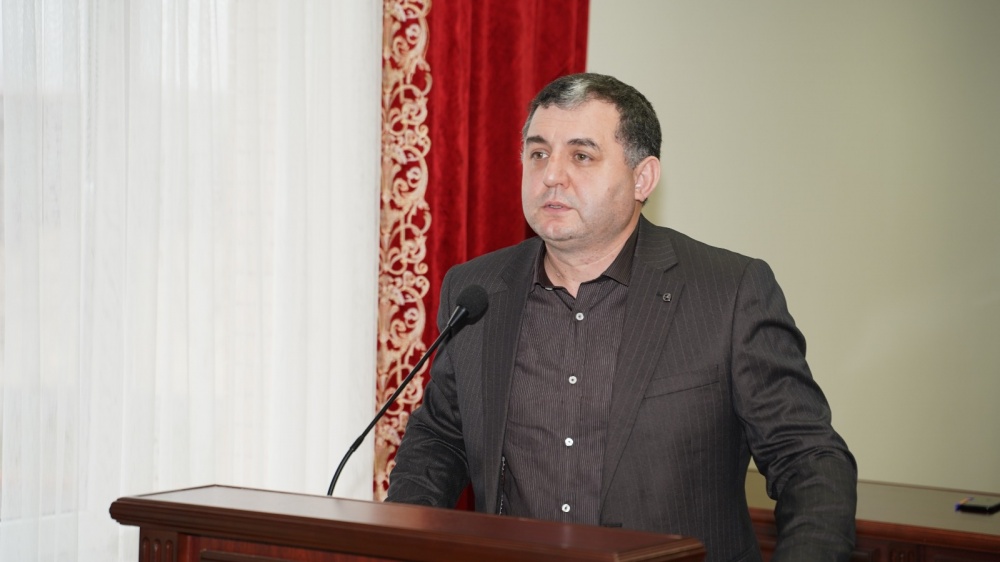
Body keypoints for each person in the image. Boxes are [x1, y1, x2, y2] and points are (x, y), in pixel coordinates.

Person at [386, 73, 857, 561]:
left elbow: (808, 459)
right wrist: (397, 542)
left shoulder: (729, 292)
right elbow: (441, 439)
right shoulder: (478, 290)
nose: (551, 175)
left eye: (581, 156)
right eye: (538, 153)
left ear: (642, 178)